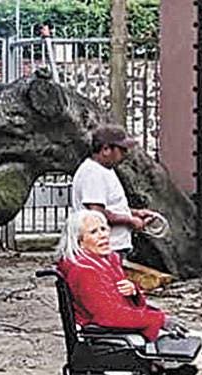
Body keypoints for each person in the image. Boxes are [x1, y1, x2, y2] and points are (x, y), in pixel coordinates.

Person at [56, 210, 182, 342]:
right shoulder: (84, 271)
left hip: (116, 329)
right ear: (79, 242)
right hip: (106, 336)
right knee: (189, 344)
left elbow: (119, 304)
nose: (103, 235)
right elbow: (109, 316)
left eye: (103, 229)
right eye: (93, 232)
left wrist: (133, 292)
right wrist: (159, 319)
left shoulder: (106, 261)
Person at [70, 125, 155, 258]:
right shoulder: (93, 173)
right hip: (104, 249)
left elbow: (110, 207)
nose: (126, 153)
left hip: (112, 247)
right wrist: (130, 220)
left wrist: (135, 213)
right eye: (122, 149)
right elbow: (97, 214)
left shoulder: (104, 170)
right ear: (106, 149)